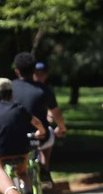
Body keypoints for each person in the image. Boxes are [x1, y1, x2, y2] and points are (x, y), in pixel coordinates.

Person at [0, 77, 48, 194]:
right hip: (21, 150)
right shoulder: (19, 108)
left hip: (1, 151)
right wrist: (41, 131)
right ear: (12, 94)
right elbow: (36, 122)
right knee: (23, 173)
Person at [11, 53, 66, 181]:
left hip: (14, 135)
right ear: (34, 70)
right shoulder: (44, 89)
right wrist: (62, 128)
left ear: (17, 71)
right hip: (39, 135)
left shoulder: (10, 88)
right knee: (50, 134)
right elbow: (56, 112)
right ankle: (44, 166)